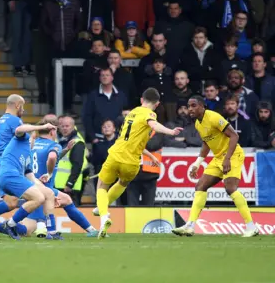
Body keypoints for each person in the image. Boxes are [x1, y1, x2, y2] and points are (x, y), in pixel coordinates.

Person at [94, 88, 182, 239]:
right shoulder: (150, 114)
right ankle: (102, 208)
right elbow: (154, 126)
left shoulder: (133, 112)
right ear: (157, 104)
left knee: (102, 186)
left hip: (116, 155)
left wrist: (150, 156)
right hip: (132, 162)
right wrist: (171, 132)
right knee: (122, 183)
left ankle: (103, 215)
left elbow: (134, 140)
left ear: (142, 100)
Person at [172, 96, 259, 237]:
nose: (190, 109)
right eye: (189, 106)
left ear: (202, 106)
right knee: (200, 186)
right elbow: (207, 143)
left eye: (193, 105)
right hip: (218, 157)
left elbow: (234, 136)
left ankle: (251, 226)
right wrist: (197, 163)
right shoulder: (197, 124)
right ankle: (190, 225)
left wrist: (227, 159)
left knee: (230, 188)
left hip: (233, 155)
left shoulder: (213, 117)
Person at [0, 120, 59, 240]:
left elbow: (31, 178)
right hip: (9, 175)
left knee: (46, 194)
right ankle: (10, 224)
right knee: (38, 197)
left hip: (11, 177)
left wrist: (46, 187)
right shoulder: (21, 139)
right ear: (33, 135)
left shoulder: (28, 157)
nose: (34, 143)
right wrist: (42, 126)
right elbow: (18, 130)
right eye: (33, 140)